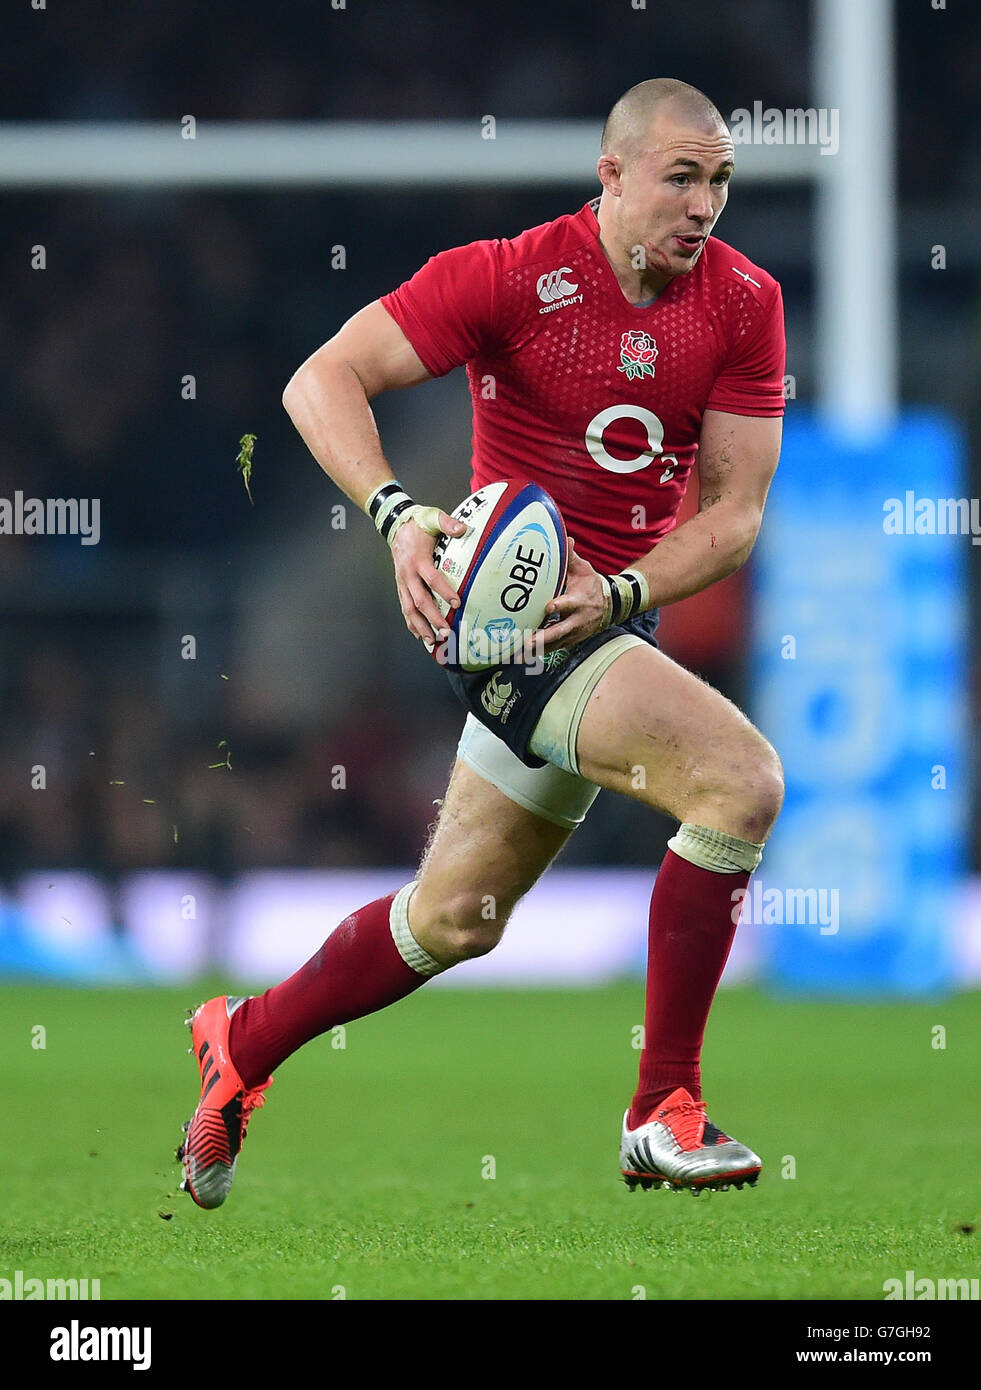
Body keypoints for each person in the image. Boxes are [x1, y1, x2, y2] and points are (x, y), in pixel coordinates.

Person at [177, 77, 786, 1208]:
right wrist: (397, 513)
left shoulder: (746, 303)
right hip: (506, 620)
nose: (704, 205)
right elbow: (323, 380)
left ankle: (242, 1041)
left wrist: (624, 593)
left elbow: (737, 513)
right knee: (739, 785)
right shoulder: (510, 276)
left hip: (607, 617)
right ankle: (665, 1109)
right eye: (681, 177)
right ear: (612, 177)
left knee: (457, 915)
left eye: (721, 182)